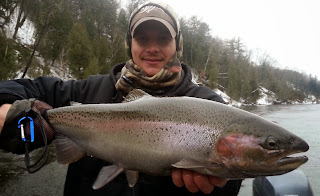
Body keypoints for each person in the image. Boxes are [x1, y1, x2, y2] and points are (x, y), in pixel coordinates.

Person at [0, 1, 242, 195]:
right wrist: (15, 117)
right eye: (143, 39)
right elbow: (23, 88)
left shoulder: (209, 106)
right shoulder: (91, 91)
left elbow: (235, 174)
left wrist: (219, 184)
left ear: (177, 44)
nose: (153, 48)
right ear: (130, 44)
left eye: (163, 38)